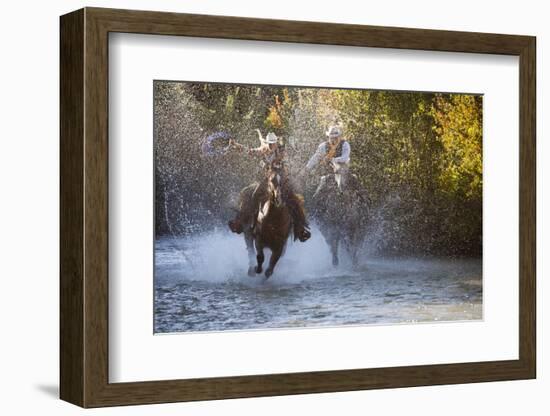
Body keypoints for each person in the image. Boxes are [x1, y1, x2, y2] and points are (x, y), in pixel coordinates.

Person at [228, 131, 311, 242]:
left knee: (293, 200)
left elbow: (287, 161)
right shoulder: (263, 150)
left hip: (281, 180)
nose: (272, 145)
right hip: (266, 180)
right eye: (270, 143)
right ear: (267, 143)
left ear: (276, 143)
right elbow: (250, 151)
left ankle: (301, 228)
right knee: (251, 194)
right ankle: (240, 222)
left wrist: (278, 163)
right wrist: (237, 145)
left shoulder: (282, 151)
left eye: (273, 143)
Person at [304, 125, 352, 197]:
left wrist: (332, 159)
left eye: (336, 137)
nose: (334, 139)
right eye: (332, 138)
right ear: (329, 137)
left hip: (342, 171)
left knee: (346, 185)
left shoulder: (345, 144)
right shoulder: (323, 146)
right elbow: (316, 158)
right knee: (318, 191)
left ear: (339, 137)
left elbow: (345, 158)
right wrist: (307, 168)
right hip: (327, 172)